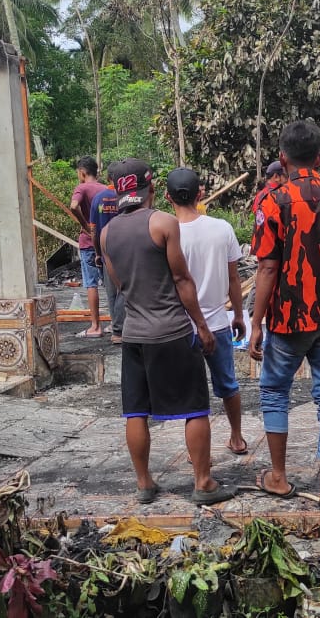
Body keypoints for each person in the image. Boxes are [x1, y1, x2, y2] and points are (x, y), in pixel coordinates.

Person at [101, 157, 237, 506]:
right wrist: (203, 327)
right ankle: (203, 482)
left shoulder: (106, 232)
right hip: (173, 330)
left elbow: (118, 283)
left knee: (135, 411)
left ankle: (145, 483)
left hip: (133, 333)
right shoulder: (162, 223)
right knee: (195, 408)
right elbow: (181, 279)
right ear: (149, 187)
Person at [248, 120, 320, 508]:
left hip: (288, 316)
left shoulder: (272, 200)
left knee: (274, 390)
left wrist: (255, 323)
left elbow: (267, 268)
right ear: (319, 157)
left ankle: (279, 477)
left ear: (282, 158)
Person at [166, 167, 249, 456]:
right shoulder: (222, 228)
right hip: (217, 322)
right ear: (200, 193)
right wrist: (238, 314)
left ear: (167, 197)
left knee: (191, 392)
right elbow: (234, 279)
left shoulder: (166, 233)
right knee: (228, 384)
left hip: (181, 327)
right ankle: (237, 438)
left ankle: (196, 452)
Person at [90, 168, 131, 345]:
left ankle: (116, 329)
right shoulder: (126, 199)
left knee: (111, 292)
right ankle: (120, 329)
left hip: (105, 250)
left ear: (107, 178)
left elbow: (93, 229)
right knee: (125, 288)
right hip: (125, 249)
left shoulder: (98, 199)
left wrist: (97, 252)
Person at [71, 156, 108, 338]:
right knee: (112, 283)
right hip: (107, 242)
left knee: (91, 284)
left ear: (82, 172)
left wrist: (85, 226)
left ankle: (95, 326)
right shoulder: (106, 190)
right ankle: (117, 324)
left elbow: (74, 206)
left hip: (88, 243)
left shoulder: (82, 187)